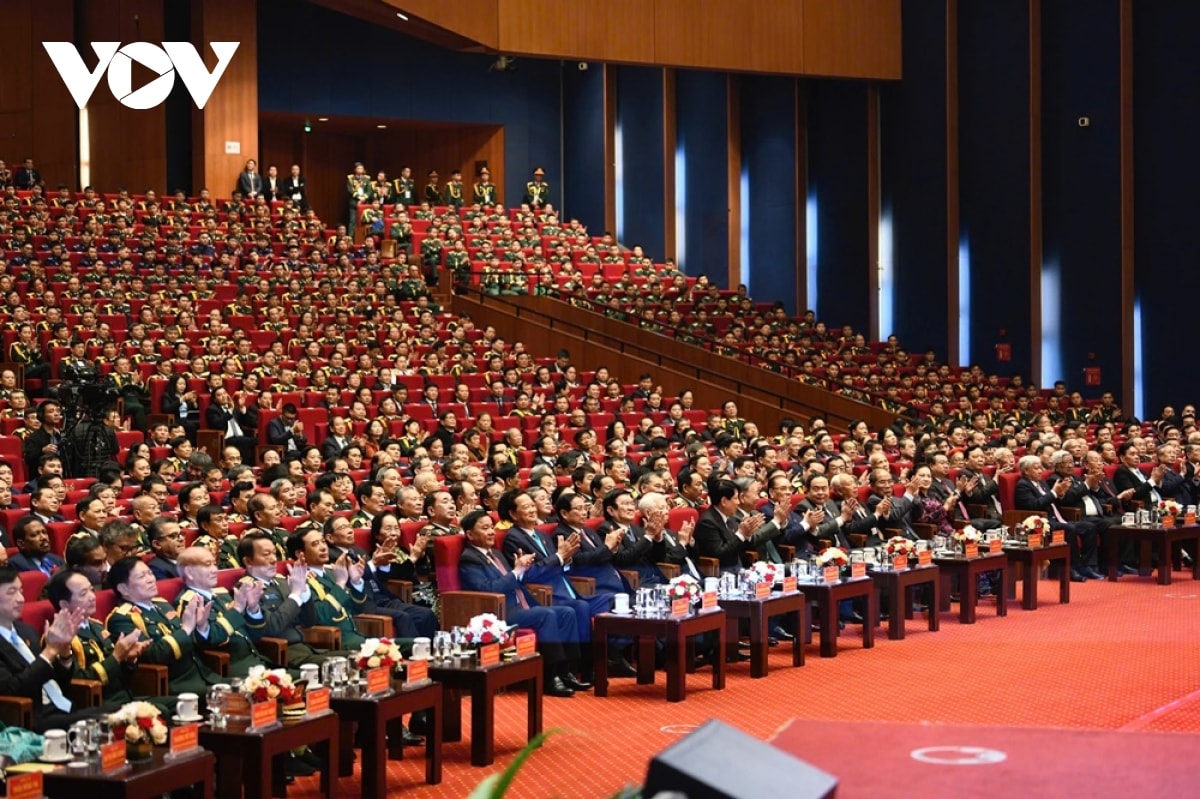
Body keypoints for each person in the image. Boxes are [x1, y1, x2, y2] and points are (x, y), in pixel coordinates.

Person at [458, 510, 585, 698]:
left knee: (566, 612)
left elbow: (514, 580)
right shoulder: (469, 559)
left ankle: (566, 670)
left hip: (521, 604)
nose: (491, 532)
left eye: (491, 527)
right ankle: (550, 677)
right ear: (469, 534)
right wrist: (516, 572)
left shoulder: (497, 555)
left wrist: (521, 570)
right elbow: (489, 589)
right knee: (546, 615)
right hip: (500, 612)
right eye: (485, 528)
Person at [105, 557, 222, 697]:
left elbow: (191, 640)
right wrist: (186, 628)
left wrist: (201, 626)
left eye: (150, 573)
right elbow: (153, 656)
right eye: (142, 576)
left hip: (204, 675)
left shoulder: (162, 605)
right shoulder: (122, 618)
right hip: (174, 685)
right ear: (123, 588)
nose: (151, 579)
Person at [44, 569, 152, 709]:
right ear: (64, 604)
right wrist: (116, 657)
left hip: (123, 697)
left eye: (91, 590)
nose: (92, 597)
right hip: (96, 705)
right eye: (84, 594)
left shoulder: (96, 626)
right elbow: (77, 683)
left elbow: (119, 674)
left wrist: (129, 660)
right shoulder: (58, 637)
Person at [0, 566, 91, 731]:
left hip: (64, 708)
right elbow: (13, 690)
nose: (21, 598)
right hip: (31, 718)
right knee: (118, 716)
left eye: (21, 591)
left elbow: (59, 681)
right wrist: (50, 651)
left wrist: (63, 652)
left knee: (126, 714)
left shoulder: (25, 631)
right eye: (11, 592)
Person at [175, 547, 274, 678]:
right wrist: (237, 609)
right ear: (189, 572)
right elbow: (208, 643)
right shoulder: (189, 602)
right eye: (207, 565)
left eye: (214, 563)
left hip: (259, 661)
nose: (215, 570)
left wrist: (253, 609)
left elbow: (256, 633)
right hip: (230, 670)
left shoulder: (221, 594)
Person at [1013, 454, 1101, 582]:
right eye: (1036, 468)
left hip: (1057, 518)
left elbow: (1053, 499)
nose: (1041, 471)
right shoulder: (1023, 485)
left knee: (1089, 527)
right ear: (1026, 471)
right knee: (1068, 529)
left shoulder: (1042, 483)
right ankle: (1072, 568)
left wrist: (1060, 494)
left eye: (1041, 468)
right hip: (1041, 522)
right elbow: (1033, 505)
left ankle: (1088, 565)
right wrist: (1054, 493)